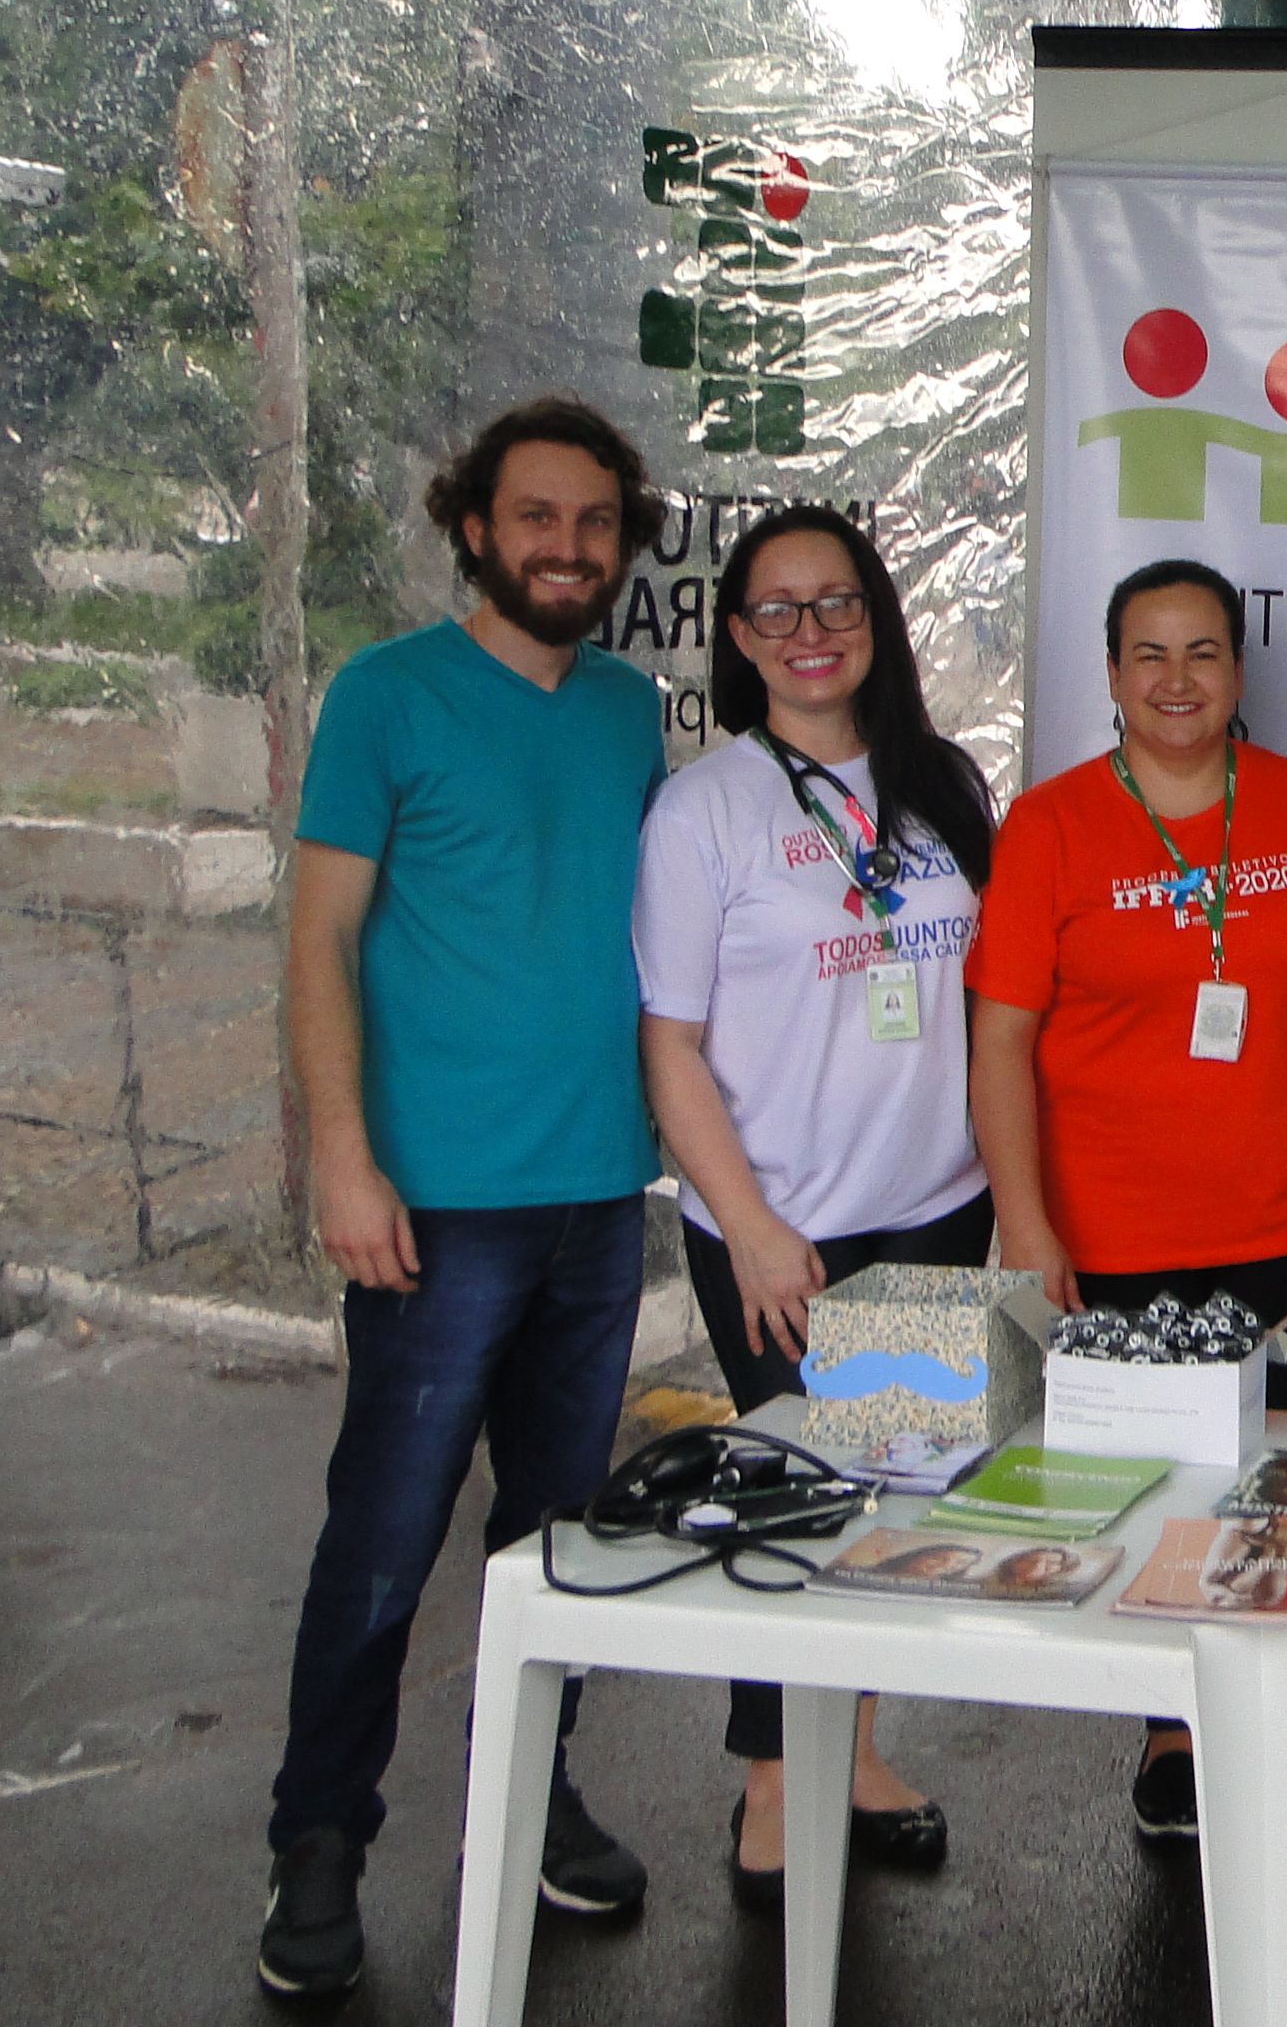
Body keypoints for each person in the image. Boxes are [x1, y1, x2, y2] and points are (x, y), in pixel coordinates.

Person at [256, 400, 669, 2002]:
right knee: (385, 1538)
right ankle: (318, 1841)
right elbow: (318, 940)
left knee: (557, 1544)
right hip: (435, 1209)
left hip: (597, 1193)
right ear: (477, 527)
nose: (567, 547)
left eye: (595, 522)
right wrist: (340, 1158)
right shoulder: (387, 695)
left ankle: (528, 1802)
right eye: (537, 517)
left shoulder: (630, 711)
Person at [633, 503, 997, 1909]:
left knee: (887, 1494)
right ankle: (775, 1780)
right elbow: (670, 1045)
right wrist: (752, 1226)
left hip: (934, 1211)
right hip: (781, 1225)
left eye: (836, 602)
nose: (809, 632)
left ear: (876, 619)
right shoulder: (705, 810)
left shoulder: (941, 784)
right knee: (794, 1499)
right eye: (776, 610)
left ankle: (853, 1751)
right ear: (737, 637)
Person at [967, 558, 1287, 1843]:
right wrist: (1026, 1224)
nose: (1177, 680)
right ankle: (1176, 1735)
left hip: (1281, 1223)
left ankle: (1273, 1723)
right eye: (1149, 654)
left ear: (1238, 668)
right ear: (1113, 673)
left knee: (1282, 1498)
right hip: (1113, 1232)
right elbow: (1000, 1040)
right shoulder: (1052, 825)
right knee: (1156, 1506)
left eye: (1202, 652)